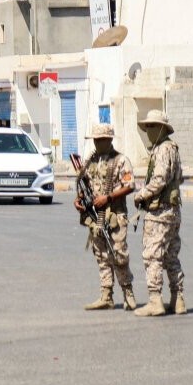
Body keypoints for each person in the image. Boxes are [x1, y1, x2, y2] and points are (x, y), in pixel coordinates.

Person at [75, 123, 137, 311]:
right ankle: (106, 295)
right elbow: (84, 185)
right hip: (96, 216)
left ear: (109, 139)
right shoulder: (90, 161)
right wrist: (79, 200)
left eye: (101, 139)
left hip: (115, 215)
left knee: (118, 254)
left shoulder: (120, 160)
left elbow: (130, 185)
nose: (98, 142)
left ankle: (128, 293)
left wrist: (108, 197)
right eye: (95, 139)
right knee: (101, 255)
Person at [132, 109, 186, 317]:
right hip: (172, 211)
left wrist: (142, 194)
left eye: (153, 126)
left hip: (160, 212)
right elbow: (178, 178)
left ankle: (155, 300)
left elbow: (160, 178)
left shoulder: (163, 149)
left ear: (162, 128)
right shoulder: (172, 148)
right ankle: (178, 299)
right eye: (147, 127)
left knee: (152, 255)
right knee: (171, 255)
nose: (148, 130)